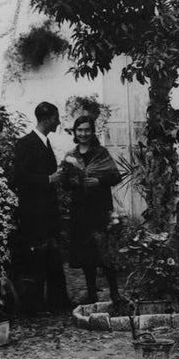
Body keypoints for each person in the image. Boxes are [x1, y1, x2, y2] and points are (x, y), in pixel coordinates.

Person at [10, 102, 69, 314]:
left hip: (47, 211)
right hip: (34, 212)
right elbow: (19, 177)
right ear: (46, 119)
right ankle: (32, 304)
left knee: (51, 256)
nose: (58, 122)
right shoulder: (26, 143)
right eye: (56, 118)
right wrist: (49, 179)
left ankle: (57, 301)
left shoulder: (45, 142)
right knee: (36, 259)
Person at [60, 116, 123, 305]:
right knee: (87, 254)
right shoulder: (71, 156)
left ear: (92, 131)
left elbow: (115, 176)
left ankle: (115, 294)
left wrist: (99, 181)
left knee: (105, 252)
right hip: (81, 210)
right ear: (74, 132)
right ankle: (92, 294)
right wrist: (72, 181)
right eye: (79, 130)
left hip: (100, 209)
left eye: (87, 130)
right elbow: (64, 182)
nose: (83, 134)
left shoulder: (101, 153)